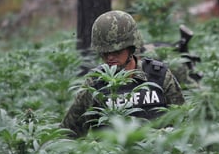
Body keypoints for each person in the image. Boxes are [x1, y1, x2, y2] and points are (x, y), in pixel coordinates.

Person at [61, 10, 185, 138]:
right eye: (104, 52)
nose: (110, 57)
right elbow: (68, 134)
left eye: (116, 52)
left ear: (131, 48)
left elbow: (183, 122)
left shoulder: (159, 76)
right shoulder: (95, 83)